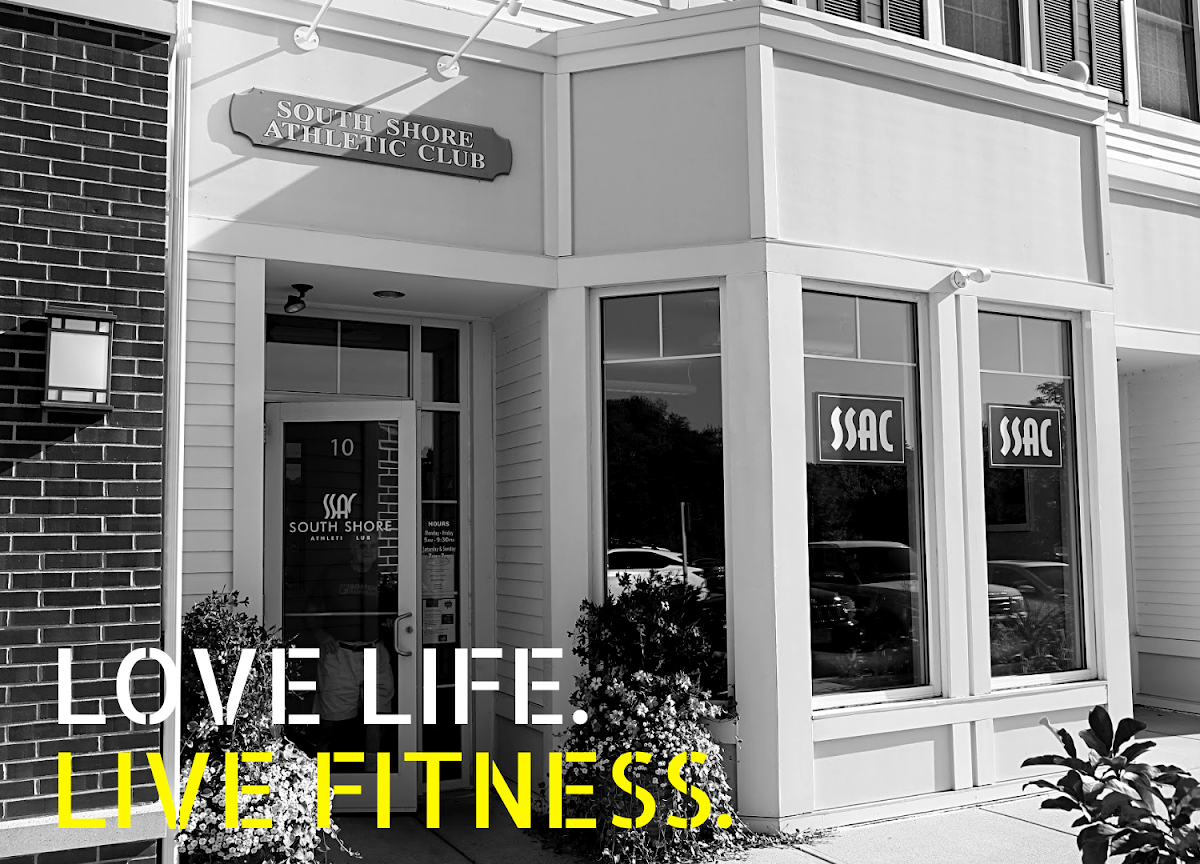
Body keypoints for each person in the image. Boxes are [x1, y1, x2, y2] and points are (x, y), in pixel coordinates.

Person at [302, 533, 396, 768]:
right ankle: (316, 768)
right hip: (339, 652)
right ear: (352, 549)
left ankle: (373, 770)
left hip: (374, 651)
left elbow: (396, 610)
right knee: (331, 717)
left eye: (373, 545)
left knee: (377, 716)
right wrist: (320, 634)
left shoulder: (383, 577)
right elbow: (311, 607)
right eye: (363, 545)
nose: (369, 550)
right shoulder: (333, 574)